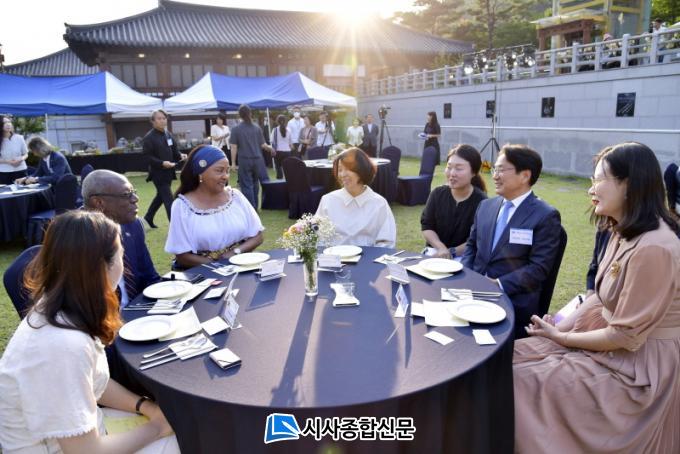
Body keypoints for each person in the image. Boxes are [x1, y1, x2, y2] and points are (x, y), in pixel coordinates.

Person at [514, 142, 680, 452]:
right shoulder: (620, 229)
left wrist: (563, 339)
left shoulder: (655, 247)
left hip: (638, 369)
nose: (591, 188)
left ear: (629, 184)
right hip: (607, 341)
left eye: (599, 179)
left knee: (522, 383)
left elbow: (625, 336)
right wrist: (560, 328)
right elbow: (599, 296)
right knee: (514, 357)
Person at [0, 211, 178, 453]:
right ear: (104, 267)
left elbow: (90, 382)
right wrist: (157, 428)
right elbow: (85, 451)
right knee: (187, 440)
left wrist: (145, 407)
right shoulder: (63, 344)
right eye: (121, 253)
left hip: (85, 432)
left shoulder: (60, 307)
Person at [461, 144, 562, 339]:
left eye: (501, 170)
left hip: (513, 302)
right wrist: (467, 275)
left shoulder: (545, 216)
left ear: (525, 176)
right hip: (472, 292)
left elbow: (539, 268)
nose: (494, 176)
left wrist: (497, 283)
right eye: (494, 169)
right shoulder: (486, 206)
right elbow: (472, 246)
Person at [166, 145, 265, 268]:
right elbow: (182, 256)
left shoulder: (236, 197)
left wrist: (235, 252)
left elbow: (257, 236)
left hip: (241, 267)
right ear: (200, 173)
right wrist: (219, 266)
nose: (225, 176)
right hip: (204, 274)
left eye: (227, 171)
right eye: (219, 170)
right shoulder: (182, 206)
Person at [82, 169, 160, 305]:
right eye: (126, 194)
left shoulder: (133, 225)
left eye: (133, 192)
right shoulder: (74, 236)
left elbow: (149, 277)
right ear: (98, 202)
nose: (135, 199)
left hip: (139, 309)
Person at [316, 147, 396, 247]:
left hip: (368, 256)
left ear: (362, 170)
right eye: (340, 170)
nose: (343, 174)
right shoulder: (328, 200)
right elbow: (318, 236)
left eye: (348, 169)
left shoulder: (379, 203)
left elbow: (387, 242)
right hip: (333, 256)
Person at [421, 145, 487, 259]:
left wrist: (451, 252)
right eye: (449, 167)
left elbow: (478, 238)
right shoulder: (437, 194)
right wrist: (441, 248)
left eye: (459, 168)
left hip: (464, 257)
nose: (452, 173)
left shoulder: (483, 202)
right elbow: (427, 226)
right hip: (435, 252)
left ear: (473, 172)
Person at [142, 109, 186, 228]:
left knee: (160, 197)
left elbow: (174, 150)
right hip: (158, 174)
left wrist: (180, 155)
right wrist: (162, 163)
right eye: (159, 118)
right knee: (169, 199)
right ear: (153, 121)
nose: (162, 120)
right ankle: (176, 227)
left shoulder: (168, 134)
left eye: (164, 118)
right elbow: (147, 157)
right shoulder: (149, 138)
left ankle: (148, 218)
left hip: (169, 173)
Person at [229, 104, 275, 209]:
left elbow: (233, 147)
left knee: (246, 185)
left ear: (239, 115)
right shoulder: (256, 128)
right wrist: (271, 148)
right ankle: (256, 206)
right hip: (258, 160)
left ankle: (251, 208)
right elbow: (263, 145)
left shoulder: (236, 129)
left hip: (245, 160)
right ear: (250, 113)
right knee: (255, 183)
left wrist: (233, 163)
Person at [0, 119, 29, 184]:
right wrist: (8, 162)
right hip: (4, 172)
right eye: (4, 123)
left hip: (21, 170)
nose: (8, 124)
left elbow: (26, 154)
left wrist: (21, 159)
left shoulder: (19, 138)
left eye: (9, 122)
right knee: (5, 190)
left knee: (24, 189)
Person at [272, 114, 292, 179]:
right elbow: (290, 142)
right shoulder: (289, 130)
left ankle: (279, 182)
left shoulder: (275, 130)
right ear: (285, 121)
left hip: (278, 152)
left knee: (278, 169)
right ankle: (289, 181)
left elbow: (272, 141)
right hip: (287, 152)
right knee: (287, 170)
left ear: (277, 121)